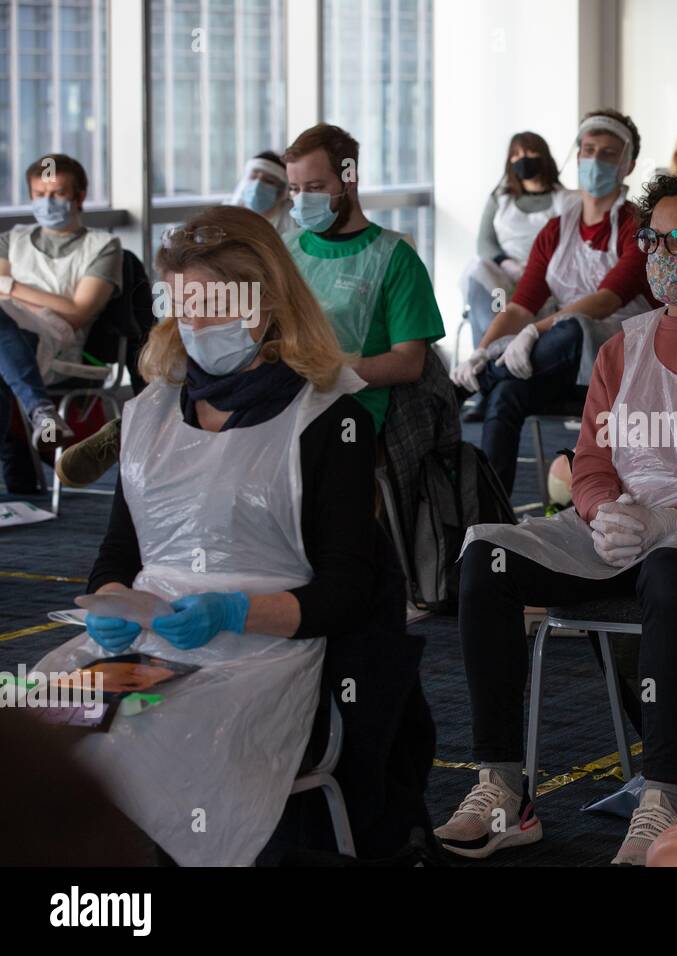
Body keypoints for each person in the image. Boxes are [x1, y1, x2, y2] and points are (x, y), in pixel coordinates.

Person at [35, 206, 433, 863]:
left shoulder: (328, 419)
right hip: (148, 645)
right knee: (38, 725)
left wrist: (237, 610)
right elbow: (120, 555)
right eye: (183, 304)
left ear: (266, 302)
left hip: (266, 660)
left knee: (141, 742)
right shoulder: (151, 414)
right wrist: (110, 604)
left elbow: (348, 592)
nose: (195, 323)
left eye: (214, 304)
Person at [436, 174, 677, 865]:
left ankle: (661, 795)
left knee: (668, 568)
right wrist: (603, 512)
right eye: (652, 239)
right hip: (624, 523)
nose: (661, 254)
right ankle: (503, 787)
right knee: (486, 553)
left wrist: (668, 520)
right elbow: (592, 463)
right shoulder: (621, 346)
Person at [450, 109, 655, 494]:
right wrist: (481, 350)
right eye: (588, 149)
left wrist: (534, 331)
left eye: (609, 153)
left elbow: (607, 300)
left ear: (627, 165)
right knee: (506, 395)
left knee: (574, 326)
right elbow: (520, 305)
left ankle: (475, 383)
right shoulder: (556, 229)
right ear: (576, 156)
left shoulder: (637, 228)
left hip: (626, 364)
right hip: (563, 364)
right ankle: (491, 515)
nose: (595, 160)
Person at [283, 123, 444, 433]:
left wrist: (332, 373)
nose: (302, 200)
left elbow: (409, 362)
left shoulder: (396, 258)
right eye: (294, 189)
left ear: (349, 181)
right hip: (285, 401)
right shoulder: (284, 250)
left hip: (351, 415)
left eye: (315, 187)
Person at [0, 153, 121, 489]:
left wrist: (10, 286)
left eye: (57, 194)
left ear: (79, 197)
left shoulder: (103, 246)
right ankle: (41, 414)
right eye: (39, 195)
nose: (47, 202)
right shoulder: (14, 239)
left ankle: (35, 425)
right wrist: (52, 301)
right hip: (13, 342)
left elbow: (78, 311)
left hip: (58, 346)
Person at [463, 132, 573, 346]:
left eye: (530, 152)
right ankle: (490, 348)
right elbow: (484, 242)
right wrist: (507, 263)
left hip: (546, 277)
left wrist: (532, 271)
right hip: (502, 275)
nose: (523, 159)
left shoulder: (564, 200)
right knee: (479, 275)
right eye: (516, 154)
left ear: (543, 156)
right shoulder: (500, 198)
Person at [225, 150, 296, 235]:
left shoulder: (292, 219)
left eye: (269, 181)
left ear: (281, 191)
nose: (257, 184)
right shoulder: (228, 216)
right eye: (253, 177)